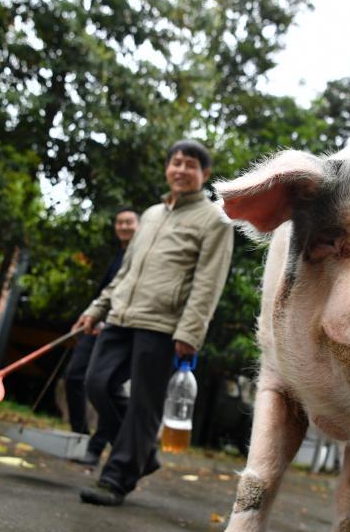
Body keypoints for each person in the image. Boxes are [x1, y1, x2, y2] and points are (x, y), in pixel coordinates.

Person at [73, 139, 233, 506]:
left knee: (144, 404)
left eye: (190, 165)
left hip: (164, 325)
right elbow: (126, 271)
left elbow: (209, 282)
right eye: (176, 162)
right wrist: (97, 308)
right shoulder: (150, 215)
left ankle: (116, 479)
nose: (181, 169)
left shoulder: (214, 219)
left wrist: (190, 331)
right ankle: (142, 452)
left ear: (204, 174)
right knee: (96, 384)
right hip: (121, 315)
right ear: (167, 168)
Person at [64, 206, 139, 466]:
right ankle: (80, 438)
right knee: (74, 377)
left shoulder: (141, 253)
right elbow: (106, 292)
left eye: (129, 222)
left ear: (139, 225)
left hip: (120, 328)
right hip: (97, 326)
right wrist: (89, 315)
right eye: (119, 222)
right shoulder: (119, 255)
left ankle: (97, 448)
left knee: (104, 386)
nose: (124, 226)